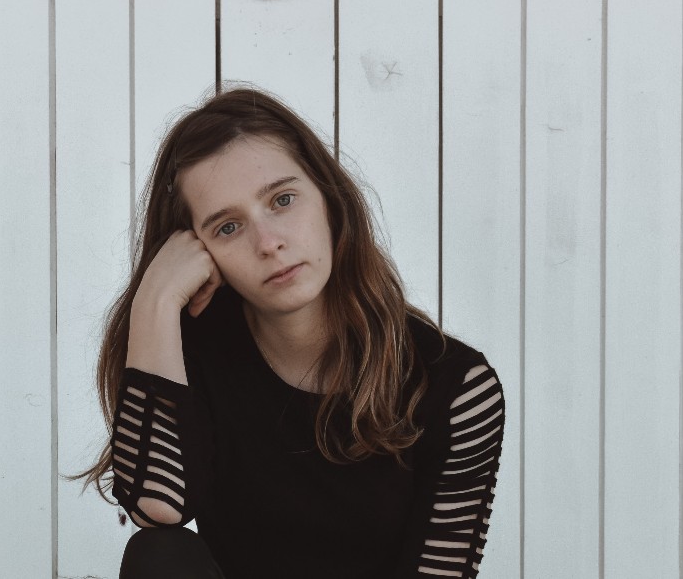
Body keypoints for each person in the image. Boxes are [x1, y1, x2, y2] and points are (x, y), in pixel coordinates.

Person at [71, 87, 505, 578]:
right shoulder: (194, 354)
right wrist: (155, 300)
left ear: (328, 198)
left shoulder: (453, 385)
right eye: (227, 227)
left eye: (282, 200)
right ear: (198, 251)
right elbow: (157, 509)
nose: (268, 242)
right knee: (160, 554)